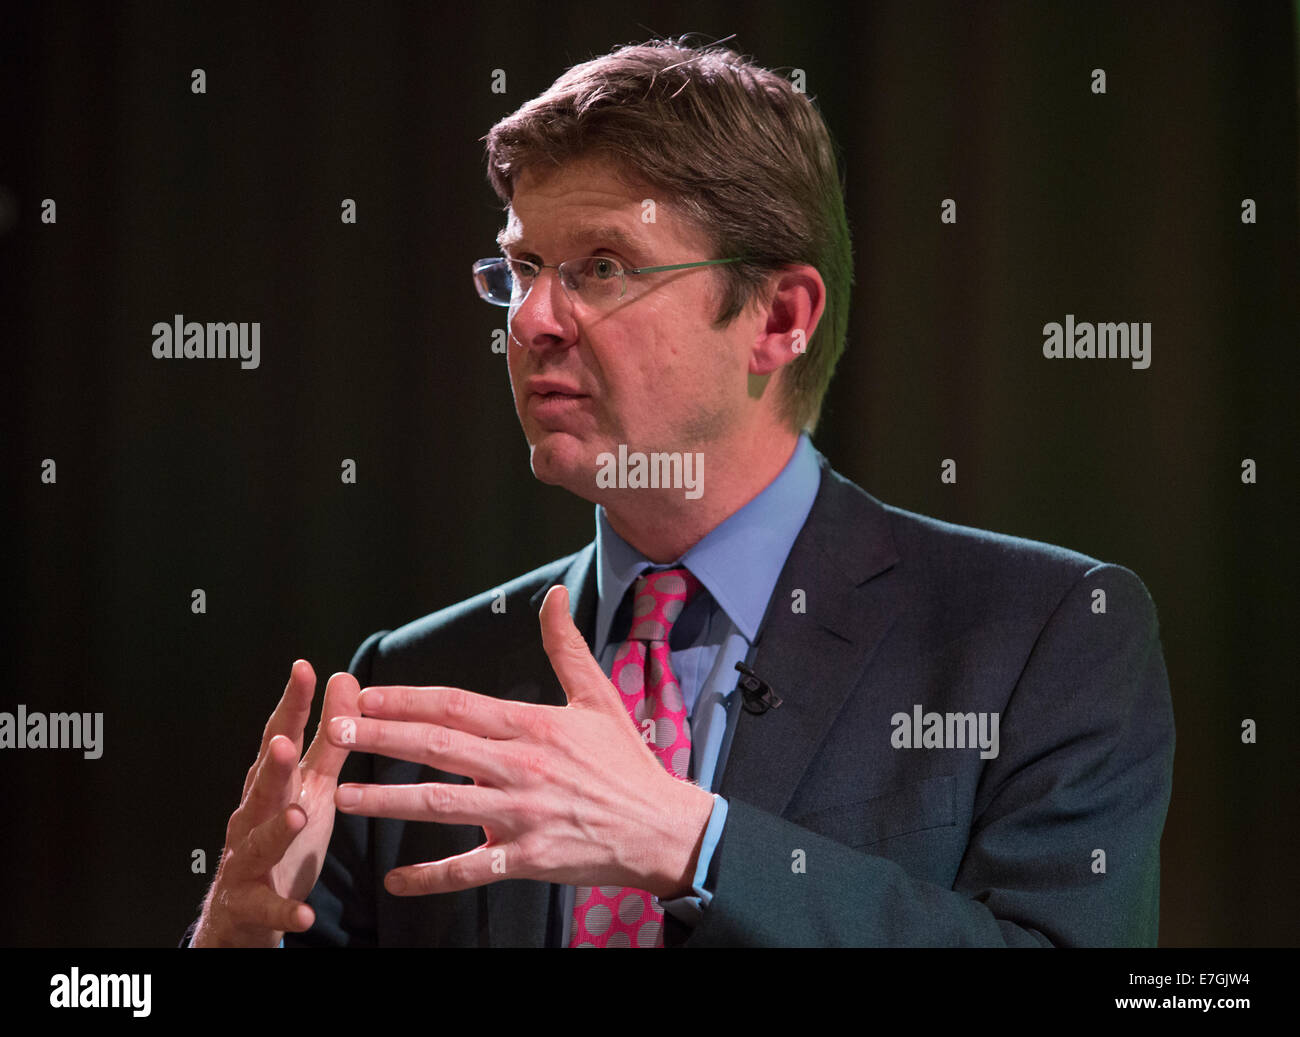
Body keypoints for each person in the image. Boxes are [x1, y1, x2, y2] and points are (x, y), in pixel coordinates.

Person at [187, 38, 1174, 948]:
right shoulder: (419, 680)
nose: (532, 320)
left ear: (778, 316)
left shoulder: (1039, 632)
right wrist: (231, 936)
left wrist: (694, 844)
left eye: (602, 268)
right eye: (523, 267)